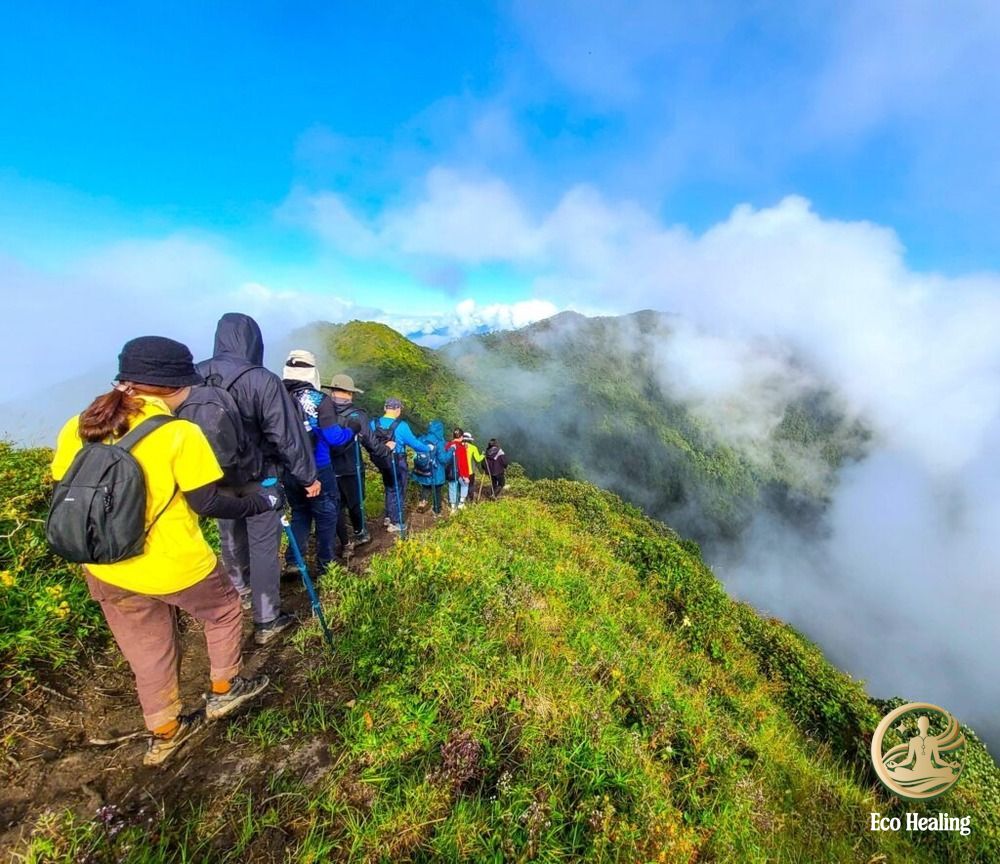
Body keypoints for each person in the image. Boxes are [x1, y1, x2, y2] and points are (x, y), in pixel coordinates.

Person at [51, 337, 275, 766]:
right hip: (173, 562)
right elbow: (208, 502)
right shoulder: (178, 433)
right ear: (173, 387)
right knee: (225, 609)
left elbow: (66, 487)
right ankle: (225, 690)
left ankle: (165, 731)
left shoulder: (78, 424)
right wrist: (258, 503)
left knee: (146, 647)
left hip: (105, 564)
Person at [198, 313, 318, 645]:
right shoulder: (261, 380)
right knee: (264, 546)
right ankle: (267, 619)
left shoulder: (194, 376)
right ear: (254, 342)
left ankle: (239, 592)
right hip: (259, 478)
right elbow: (287, 436)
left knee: (230, 538)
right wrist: (308, 476)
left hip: (213, 480)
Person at [281, 350, 355, 577]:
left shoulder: (276, 396)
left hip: (289, 468)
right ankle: (326, 564)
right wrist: (352, 430)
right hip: (318, 467)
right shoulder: (319, 400)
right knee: (326, 514)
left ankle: (294, 561)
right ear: (312, 372)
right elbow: (334, 437)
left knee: (300, 513)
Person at [326, 373, 393, 549]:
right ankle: (359, 533)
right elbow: (371, 443)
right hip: (350, 467)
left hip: (327, 467)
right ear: (350, 393)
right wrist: (386, 450)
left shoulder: (323, 412)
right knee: (355, 502)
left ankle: (342, 541)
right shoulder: (357, 415)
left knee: (336, 505)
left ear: (332, 390)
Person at [370, 398, 433, 533]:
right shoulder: (401, 425)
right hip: (397, 459)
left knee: (389, 486)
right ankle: (396, 522)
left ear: (385, 408)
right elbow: (414, 443)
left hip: (381, 459)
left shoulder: (373, 423)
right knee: (398, 489)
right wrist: (428, 448)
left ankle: (388, 516)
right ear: (397, 409)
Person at [412, 420, 448, 517]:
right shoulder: (439, 441)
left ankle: (422, 501)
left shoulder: (423, 438)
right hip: (436, 471)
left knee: (426, 487)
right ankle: (436, 510)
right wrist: (451, 451)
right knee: (437, 491)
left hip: (424, 470)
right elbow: (443, 459)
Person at [445, 428, 484, 511]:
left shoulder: (448, 445)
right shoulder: (469, 447)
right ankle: (464, 502)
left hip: (451, 471)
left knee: (454, 487)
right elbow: (472, 460)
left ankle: (453, 506)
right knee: (467, 485)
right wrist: (483, 456)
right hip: (464, 471)